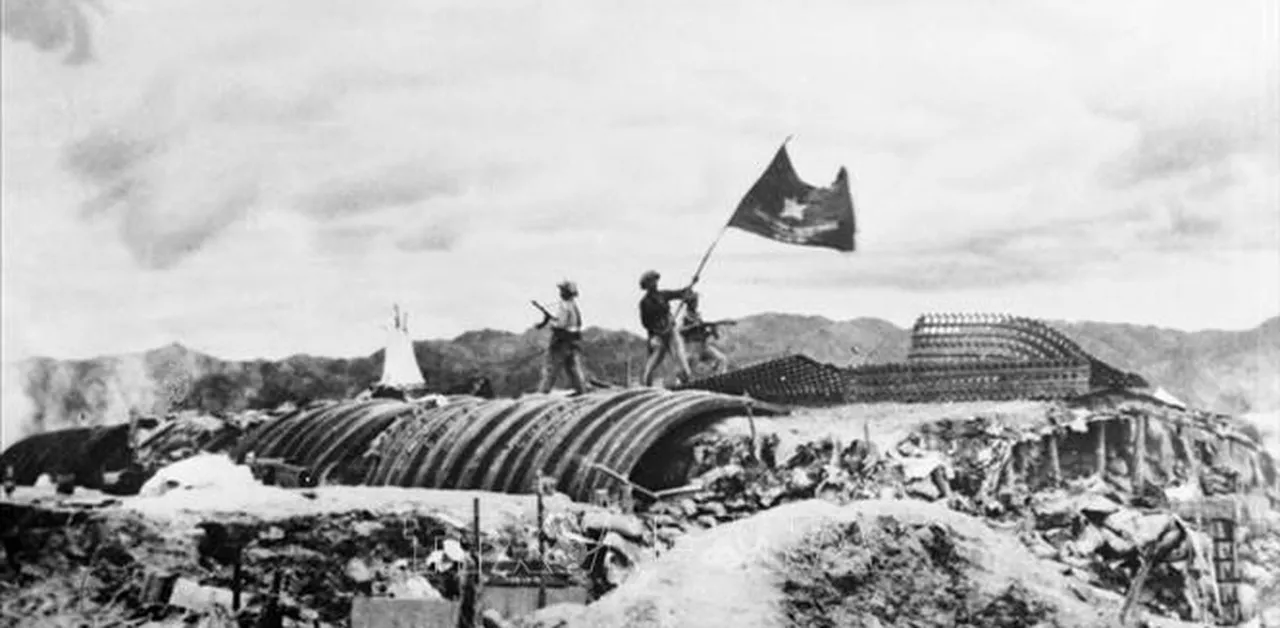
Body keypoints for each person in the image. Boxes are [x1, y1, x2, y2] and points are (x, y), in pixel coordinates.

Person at [637, 270, 694, 386]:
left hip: (670, 330)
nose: (654, 284)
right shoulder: (644, 303)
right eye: (651, 282)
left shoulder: (663, 295)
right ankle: (646, 382)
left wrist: (691, 285)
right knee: (656, 358)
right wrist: (659, 331)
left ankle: (688, 378)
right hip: (657, 336)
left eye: (655, 281)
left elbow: (679, 293)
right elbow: (645, 323)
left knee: (679, 353)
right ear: (646, 285)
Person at [537, 280, 588, 395]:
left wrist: (550, 321)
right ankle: (581, 391)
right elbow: (576, 323)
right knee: (573, 367)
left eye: (562, 290)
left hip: (561, 341)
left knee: (552, 368)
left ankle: (543, 393)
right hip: (573, 341)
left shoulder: (564, 306)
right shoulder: (573, 305)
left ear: (566, 292)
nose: (560, 292)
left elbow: (561, 324)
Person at [679, 291, 730, 376]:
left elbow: (704, 332)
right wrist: (693, 326)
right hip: (693, 348)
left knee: (722, 359)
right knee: (696, 369)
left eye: (696, 301)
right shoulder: (685, 317)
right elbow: (680, 331)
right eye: (694, 301)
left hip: (704, 346)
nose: (696, 304)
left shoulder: (698, 316)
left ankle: (718, 377)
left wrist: (712, 331)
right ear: (689, 303)